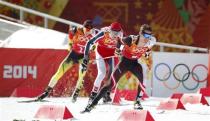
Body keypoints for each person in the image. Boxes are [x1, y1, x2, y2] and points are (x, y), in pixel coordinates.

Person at [81, 24, 156, 113]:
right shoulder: (130, 39)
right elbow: (120, 41)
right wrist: (118, 50)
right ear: (140, 33)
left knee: (143, 81)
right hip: (124, 63)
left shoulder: (151, 41)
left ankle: (137, 102)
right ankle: (92, 104)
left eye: (149, 36)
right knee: (110, 84)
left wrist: (147, 52)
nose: (147, 38)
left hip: (135, 64)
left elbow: (149, 48)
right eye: (145, 35)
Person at [36, 19, 96, 101]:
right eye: (86, 29)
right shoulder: (76, 30)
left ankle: (76, 93)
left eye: (90, 30)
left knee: (81, 76)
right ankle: (46, 92)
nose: (88, 32)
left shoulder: (94, 34)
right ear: (83, 27)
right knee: (59, 72)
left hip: (84, 57)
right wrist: (70, 44)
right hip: (73, 55)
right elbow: (70, 34)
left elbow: (97, 44)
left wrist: (94, 47)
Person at [81, 22, 124, 104]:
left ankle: (106, 95)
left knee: (111, 75)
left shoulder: (121, 34)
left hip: (111, 54)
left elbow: (122, 44)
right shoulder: (103, 33)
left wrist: (119, 50)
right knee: (101, 74)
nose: (115, 35)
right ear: (110, 30)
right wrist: (86, 58)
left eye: (117, 33)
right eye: (114, 32)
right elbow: (89, 43)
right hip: (100, 53)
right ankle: (92, 96)